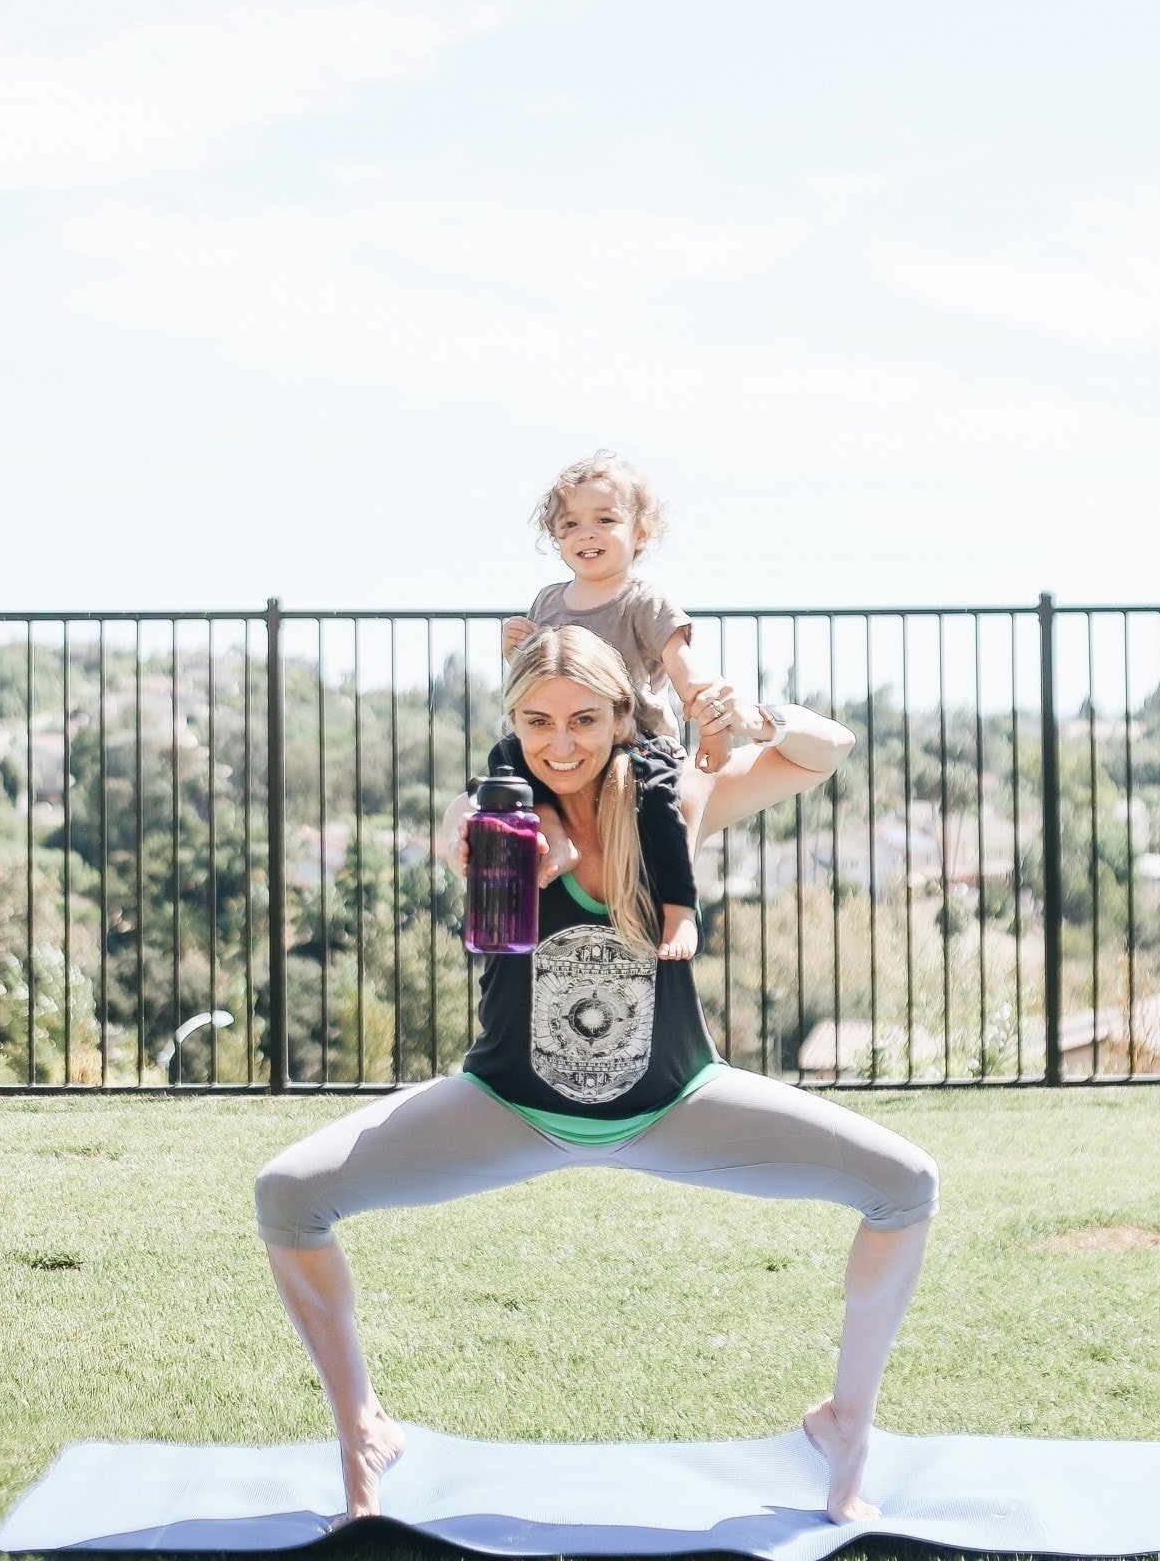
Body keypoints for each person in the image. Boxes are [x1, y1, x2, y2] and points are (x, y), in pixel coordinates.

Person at [254, 627, 939, 1528]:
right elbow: (458, 842)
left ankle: (844, 1423)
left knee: (904, 1184)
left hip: (675, 1105)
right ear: (512, 723)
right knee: (289, 1194)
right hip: (509, 1107)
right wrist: (478, 847)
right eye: (537, 721)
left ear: (622, 717)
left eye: (584, 718)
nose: (561, 742)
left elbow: (825, 750)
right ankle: (363, 1428)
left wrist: (751, 713)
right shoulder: (496, 813)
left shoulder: (673, 799)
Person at [501, 451, 730, 963]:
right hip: (575, 735)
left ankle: (679, 909)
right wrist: (516, 649)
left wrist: (700, 694)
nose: (587, 534)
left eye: (605, 520)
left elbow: (678, 657)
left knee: (661, 806)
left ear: (640, 532)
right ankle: (555, 840)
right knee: (505, 760)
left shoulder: (643, 600)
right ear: (556, 538)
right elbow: (541, 674)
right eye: (571, 524)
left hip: (636, 740)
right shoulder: (548, 602)